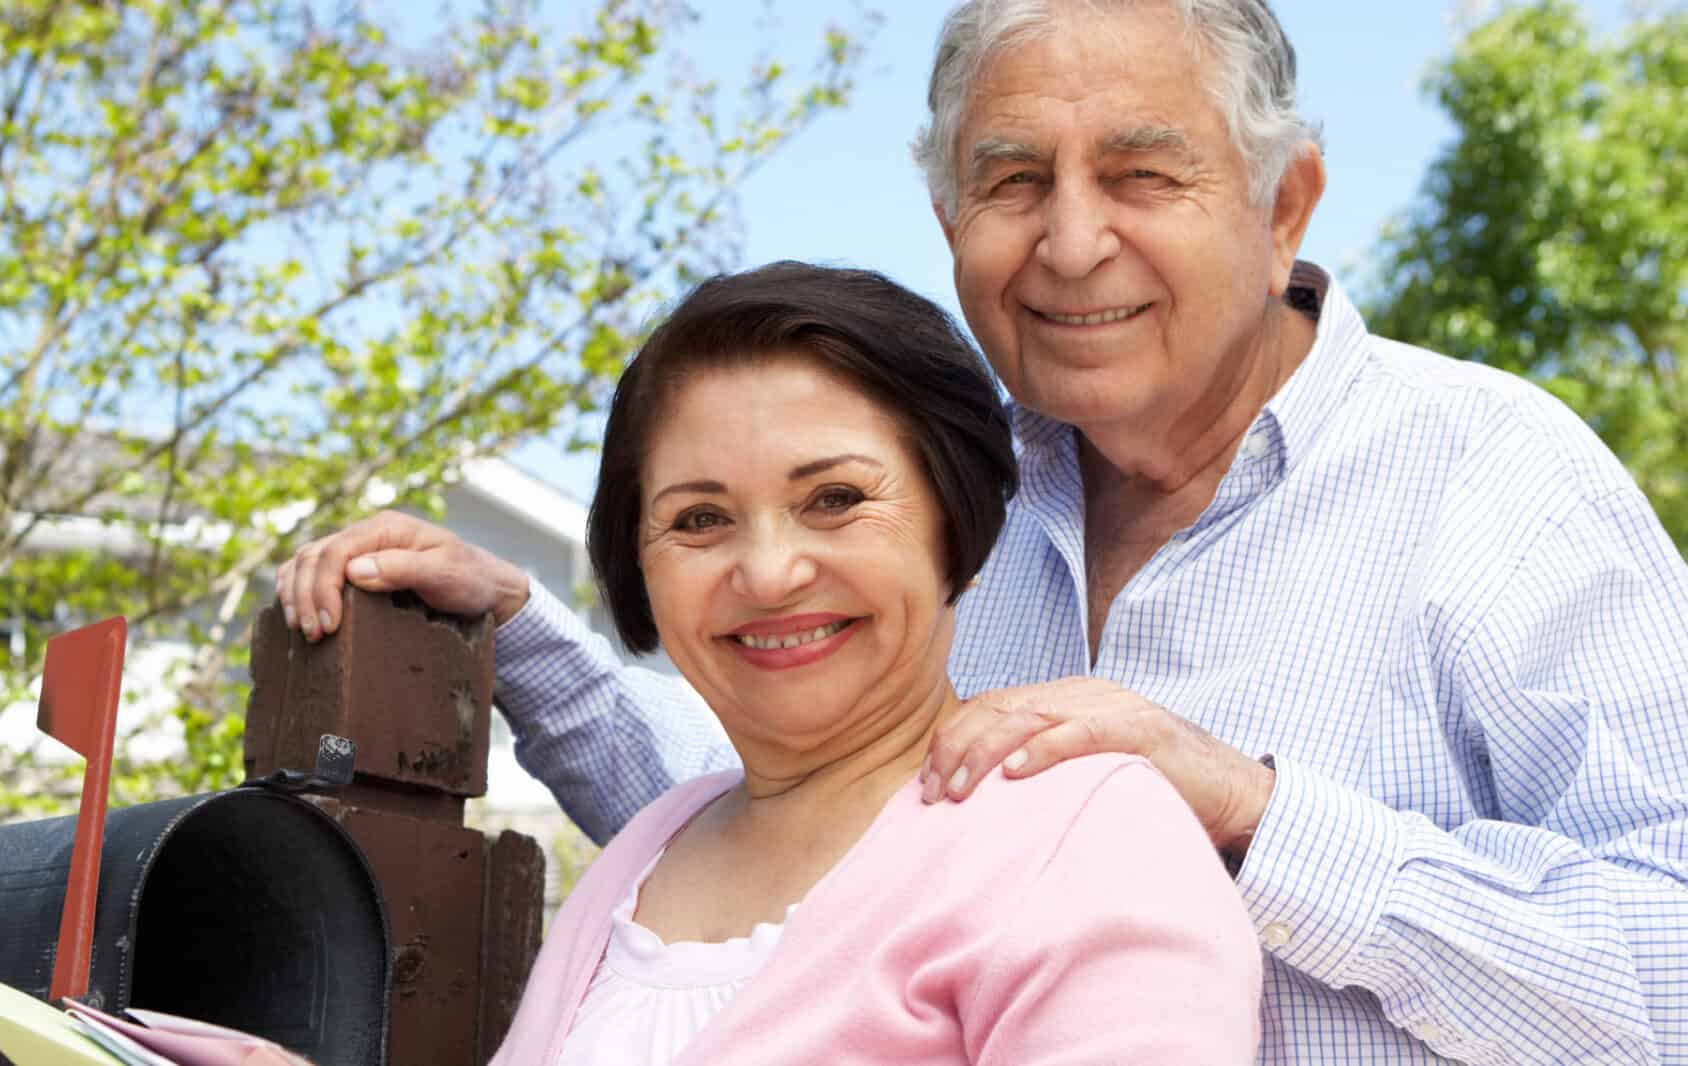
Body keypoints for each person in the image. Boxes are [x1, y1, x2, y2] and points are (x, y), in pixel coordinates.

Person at [279, 1, 1688, 1061]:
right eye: (1011, 180)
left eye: (1144, 172)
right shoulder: (954, 503)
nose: (1073, 239)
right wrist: (527, 637)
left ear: (1283, 201)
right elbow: (782, 853)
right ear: (950, 218)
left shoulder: (1490, 477)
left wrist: (1255, 813)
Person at [488, 260, 1259, 1065]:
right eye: (701, 517)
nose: (769, 573)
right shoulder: (645, 853)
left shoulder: (1089, 837)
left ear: (950, 515)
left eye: (835, 499)